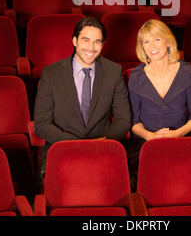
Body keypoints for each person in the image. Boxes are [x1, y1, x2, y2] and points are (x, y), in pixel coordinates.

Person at [34, 16, 132, 174]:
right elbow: (42, 124)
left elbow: (124, 119)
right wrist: (77, 145)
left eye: (97, 42)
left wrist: (101, 143)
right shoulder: (51, 74)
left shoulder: (113, 72)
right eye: (86, 40)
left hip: (103, 150)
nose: (91, 47)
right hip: (63, 151)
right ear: (75, 41)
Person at [127, 19, 191, 189]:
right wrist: (151, 136)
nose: (152, 46)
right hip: (146, 142)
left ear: (168, 42)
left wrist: (177, 134)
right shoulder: (136, 76)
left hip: (181, 137)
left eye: (157, 39)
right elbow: (133, 121)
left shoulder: (186, 71)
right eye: (146, 41)